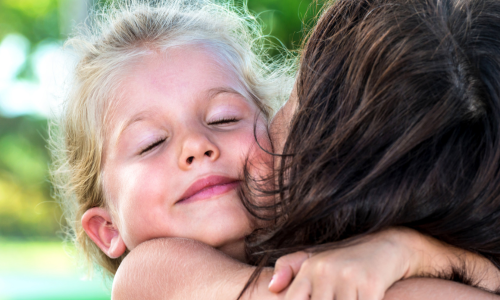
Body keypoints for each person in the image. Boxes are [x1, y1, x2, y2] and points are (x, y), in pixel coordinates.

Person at [49, 0, 500, 299]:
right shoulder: (153, 272)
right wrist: (413, 257)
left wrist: (417, 253)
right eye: (151, 143)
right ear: (107, 229)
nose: (197, 146)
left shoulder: (327, 239)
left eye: (225, 119)